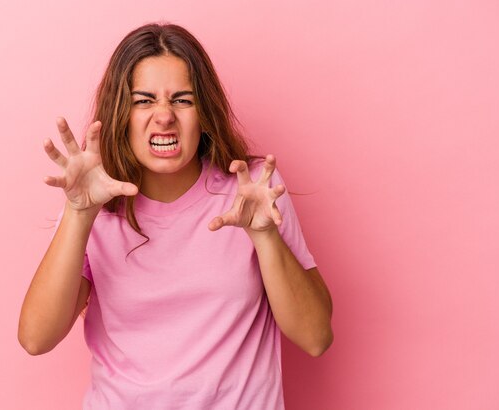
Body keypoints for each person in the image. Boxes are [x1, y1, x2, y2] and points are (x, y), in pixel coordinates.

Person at [18, 23, 333, 409]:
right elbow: (36, 338)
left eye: (182, 100)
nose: (164, 116)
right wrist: (78, 213)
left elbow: (316, 337)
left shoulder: (252, 189)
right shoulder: (97, 200)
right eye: (144, 100)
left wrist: (265, 238)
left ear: (204, 112)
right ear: (121, 113)